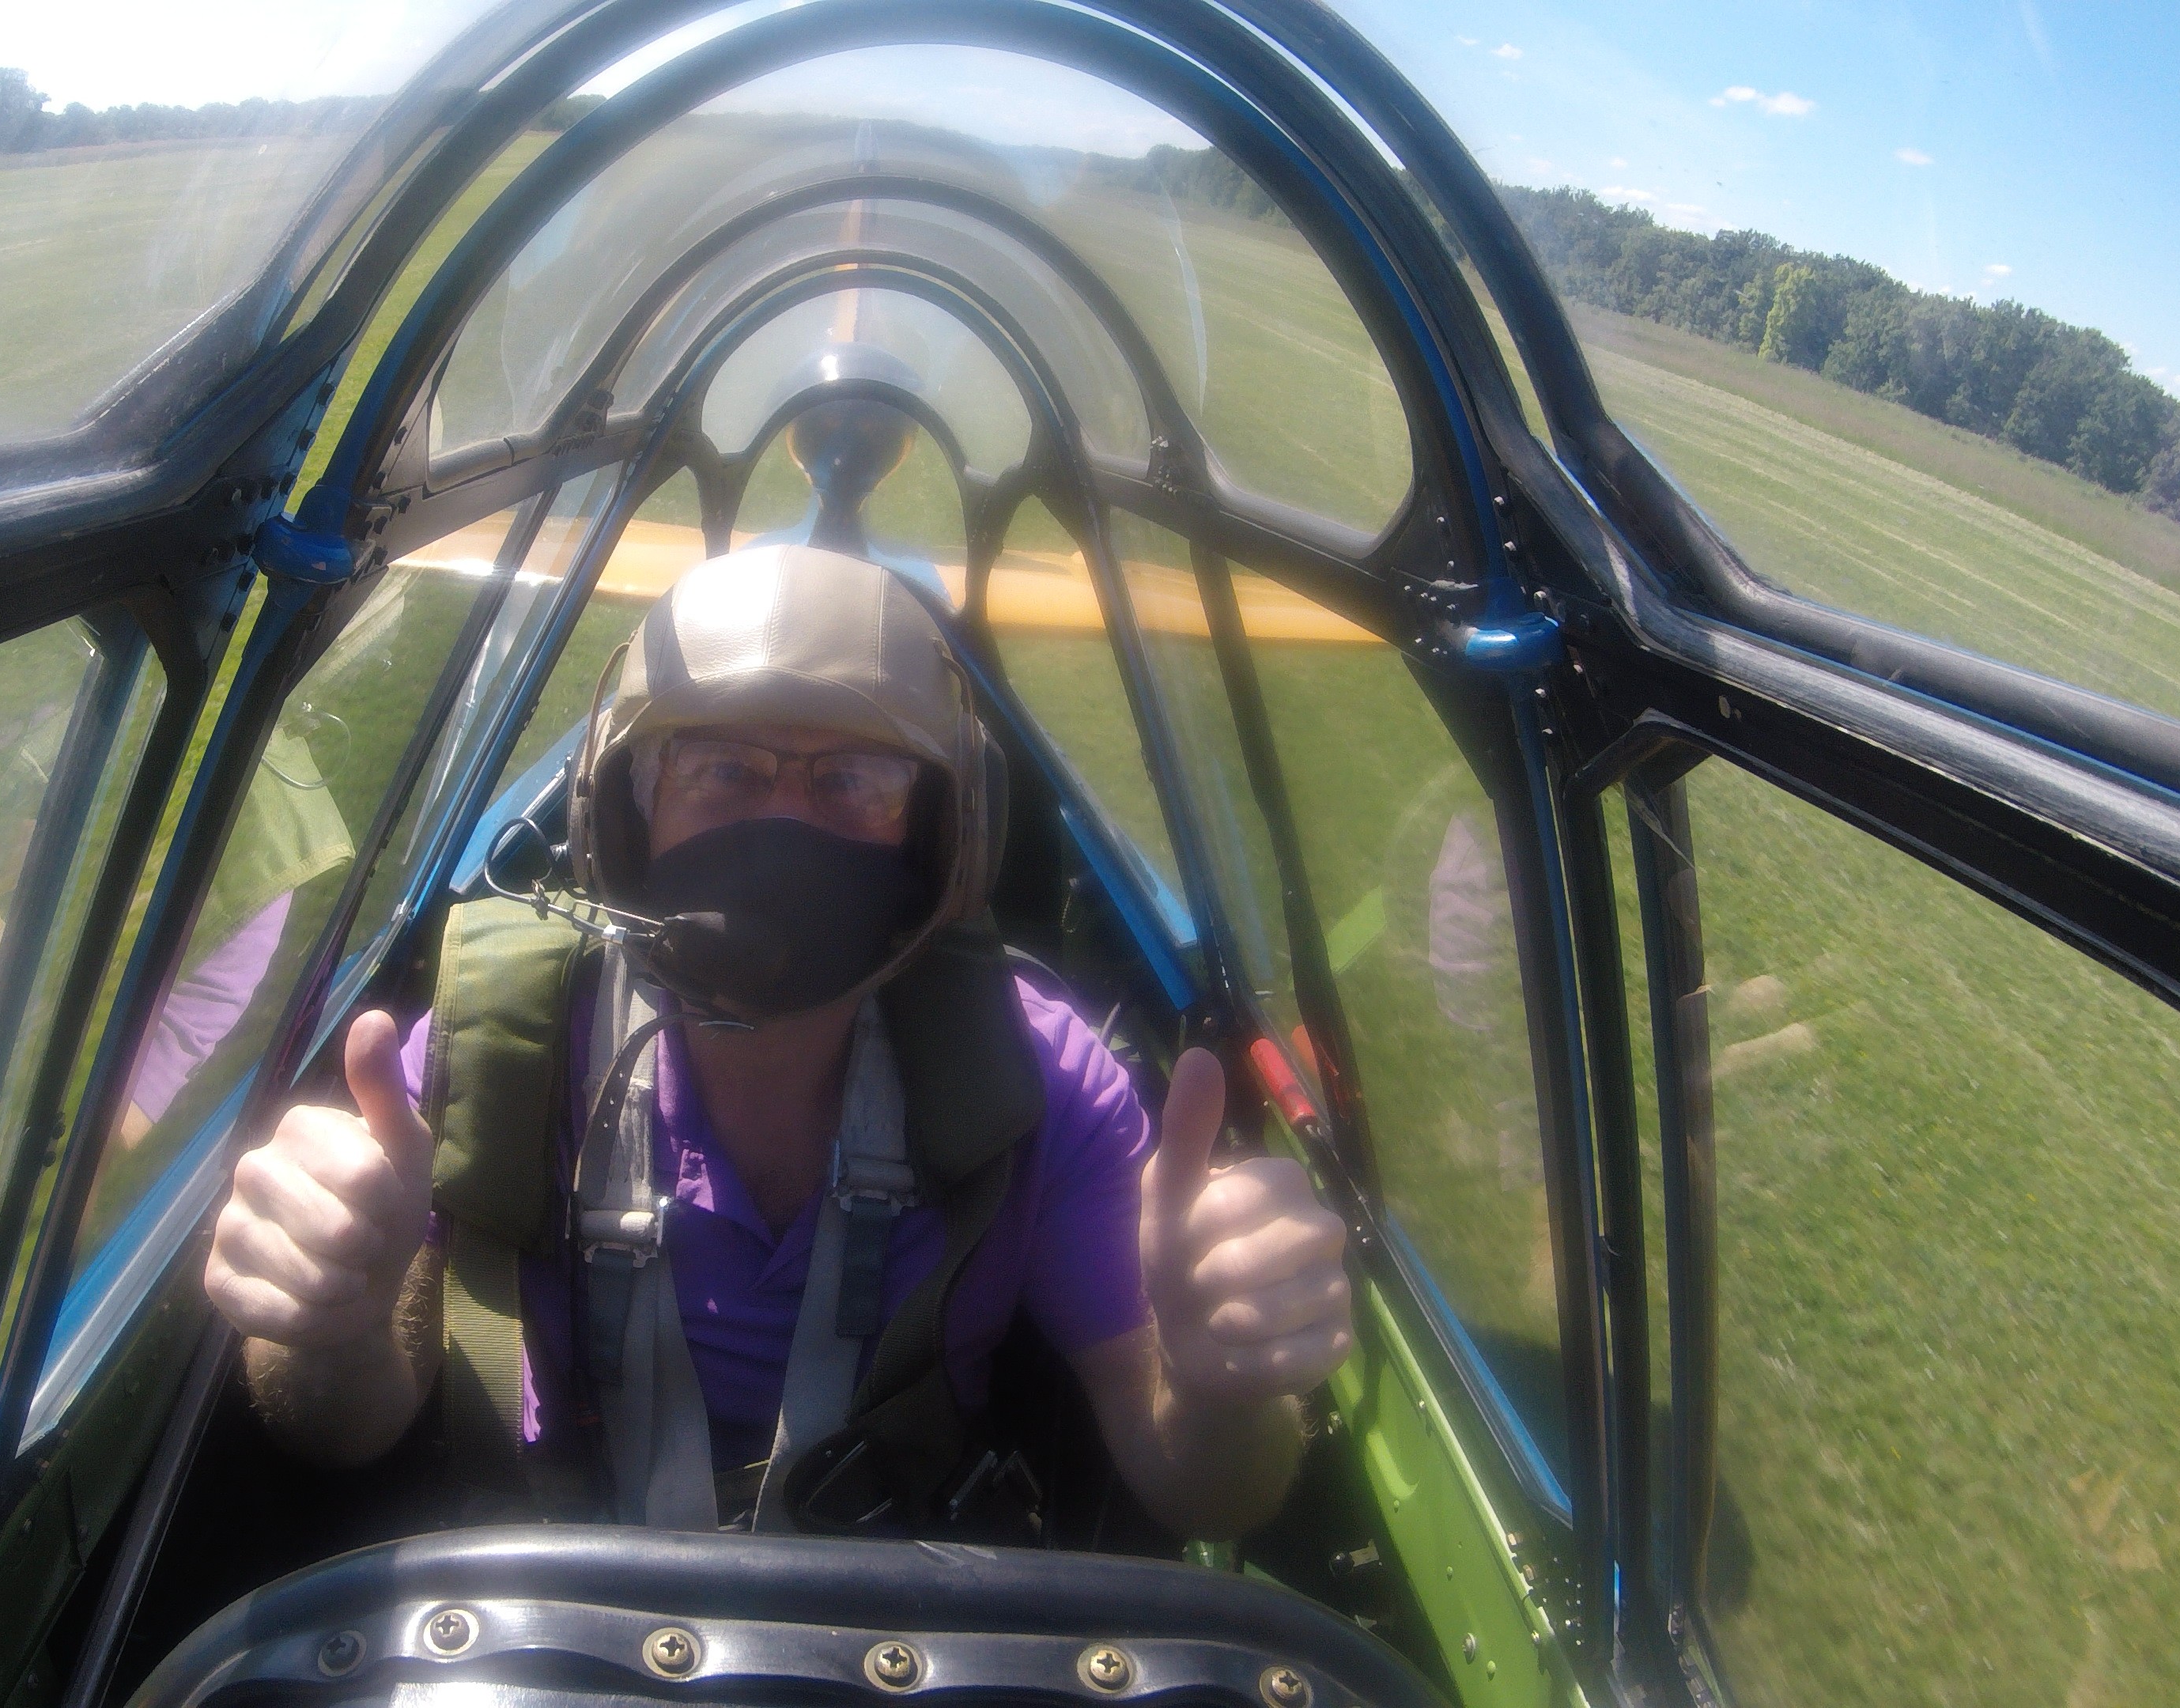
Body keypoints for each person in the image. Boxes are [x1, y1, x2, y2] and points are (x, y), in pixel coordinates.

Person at [203, 543, 1352, 1540]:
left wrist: (1218, 1391)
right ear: (625, 814)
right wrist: (331, 1326)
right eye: (722, 771)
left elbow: (1203, 1489)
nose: (784, 829)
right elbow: (338, 1430)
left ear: (940, 840)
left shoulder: (1039, 1081)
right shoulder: (489, 1057)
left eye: (856, 781)